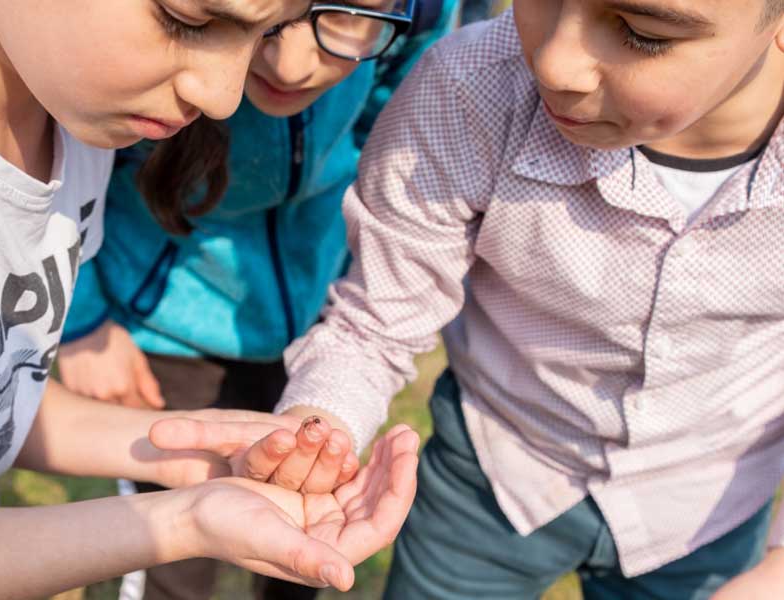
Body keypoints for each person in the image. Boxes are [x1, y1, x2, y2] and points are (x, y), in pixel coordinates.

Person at [0, 1, 419, 597]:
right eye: (187, 20)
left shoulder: (67, 113)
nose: (225, 98)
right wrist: (186, 519)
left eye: (261, 30)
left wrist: (197, 455)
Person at [264, 0, 784, 598]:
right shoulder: (467, 89)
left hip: (707, 509)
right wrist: (317, 434)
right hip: (490, 475)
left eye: (642, 35)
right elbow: (374, 325)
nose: (556, 65)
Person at [56, 1, 456, 598]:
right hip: (167, 338)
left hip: (315, 332)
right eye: (272, 20)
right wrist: (84, 323)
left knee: (303, 548)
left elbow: (387, 126)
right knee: (169, 557)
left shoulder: (417, 21)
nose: (293, 67)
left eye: (346, 15)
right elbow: (60, 164)